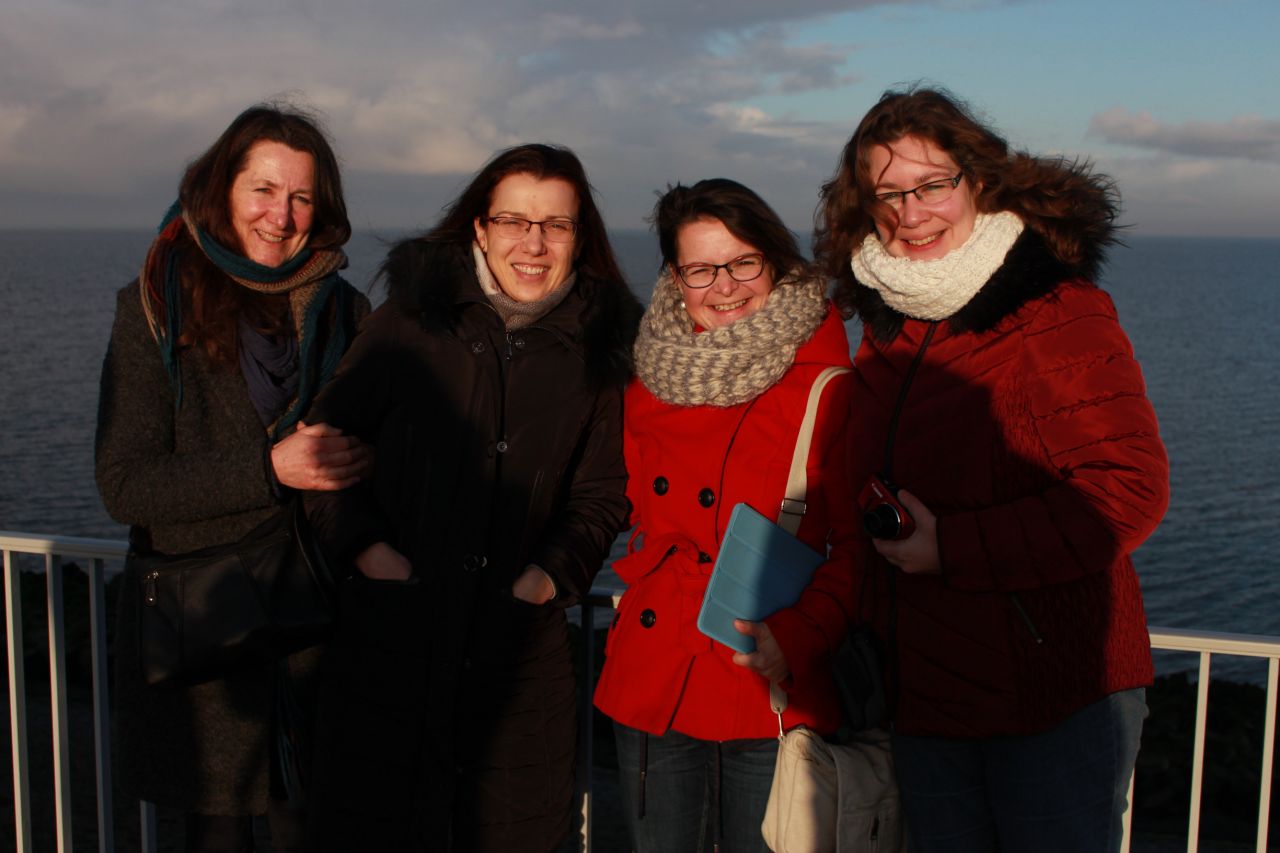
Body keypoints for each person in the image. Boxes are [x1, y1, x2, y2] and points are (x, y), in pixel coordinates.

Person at [814, 86, 1170, 852]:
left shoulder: (1054, 309)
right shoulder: (891, 322)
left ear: (977, 181)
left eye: (932, 184)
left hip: (1051, 697)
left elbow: (1127, 491)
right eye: (889, 193)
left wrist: (951, 546)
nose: (911, 213)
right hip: (928, 697)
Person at [300, 143, 641, 852]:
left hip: (519, 663)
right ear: (481, 229)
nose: (533, 243)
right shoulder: (410, 321)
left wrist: (544, 578)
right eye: (514, 220)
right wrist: (371, 554)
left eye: (556, 224)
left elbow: (603, 492)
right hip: (389, 649)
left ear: (580, 237)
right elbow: (325, 450)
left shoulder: (600, 346)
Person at [95, 104, 372, 851]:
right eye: (263, 190)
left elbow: (371, 451)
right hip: (207, 639)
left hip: (316, 634)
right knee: (217, 833)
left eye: (302, 197)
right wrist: (270, 469)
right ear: (222, 190)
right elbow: (125, 482)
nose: (281, 217)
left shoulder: (344, 310)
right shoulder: (156, 303)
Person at [593, 179, 858, 852]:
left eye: (743, 262)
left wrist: (800, 635)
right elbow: (610, 498)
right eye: (701, 269)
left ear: (775, 262)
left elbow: (857, 548)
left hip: (768, 678)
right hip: (655, 672)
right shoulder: (647, 379)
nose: (725, 287)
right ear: (674, 278)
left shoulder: (829, 383)